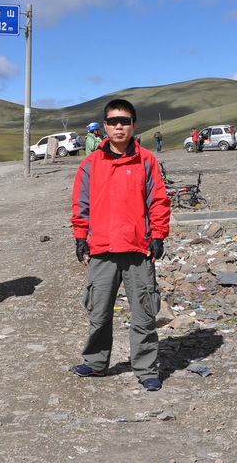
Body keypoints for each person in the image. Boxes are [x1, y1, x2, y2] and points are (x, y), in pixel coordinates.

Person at [70, 99, 170, 391]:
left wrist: (158, 235)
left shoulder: (147, 160)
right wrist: (80, 238)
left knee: (143, 313)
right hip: (102, 248)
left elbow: (159, 200)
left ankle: (146, 368)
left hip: (139, 249)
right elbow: (81, 203)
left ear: (133, 125)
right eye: (113, 121)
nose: (119, 126)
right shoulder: (91, 163)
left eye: (124, 121)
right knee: (98, 312)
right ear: (105, 126)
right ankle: (96, 362)